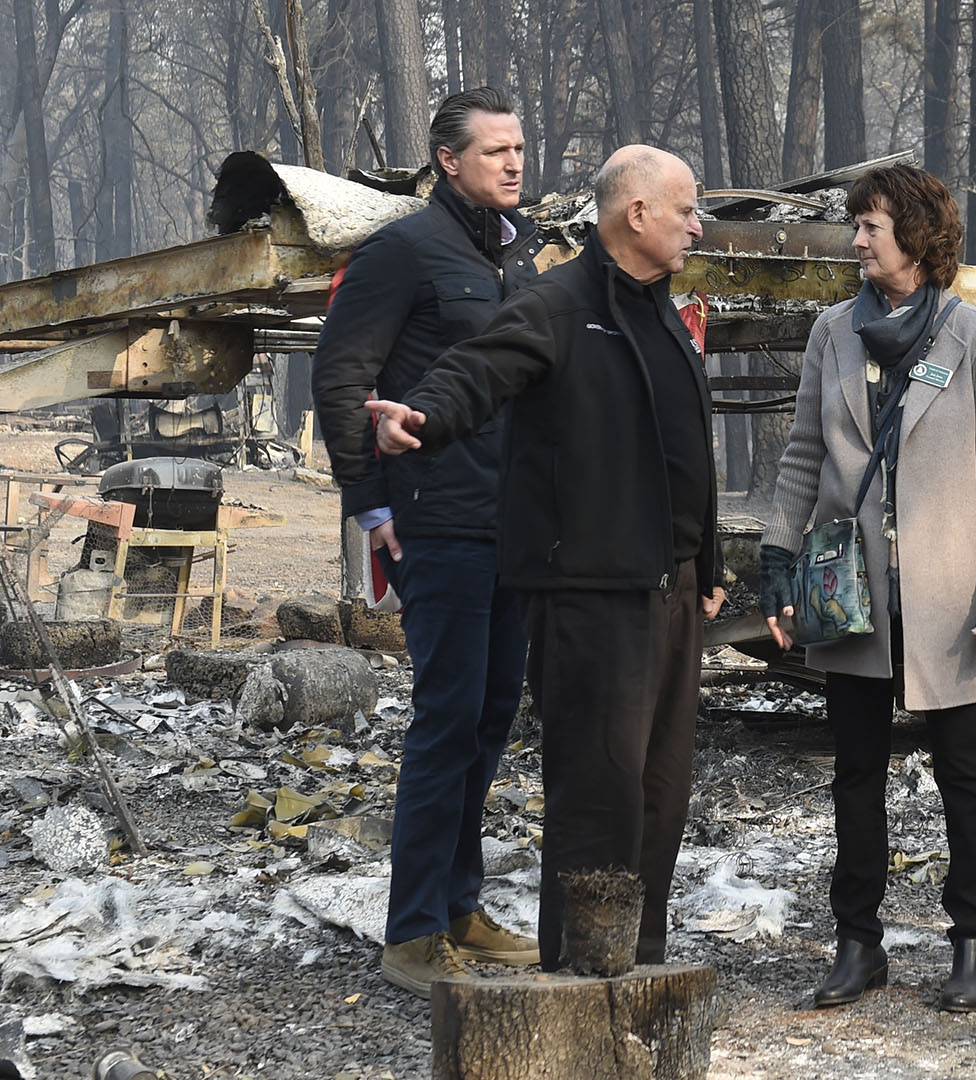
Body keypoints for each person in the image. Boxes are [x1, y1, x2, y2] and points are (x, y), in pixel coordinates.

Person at [363, 144, 723, 973]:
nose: (696, 226)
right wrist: (418, 417)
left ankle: (636, 960)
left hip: (665, 589)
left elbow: (683, 448)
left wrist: (703, 565)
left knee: (660, 791)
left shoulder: (665, 310)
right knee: (598, 793)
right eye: (685, 211)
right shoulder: (556, 304)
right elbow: (474, 372)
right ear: (636, 215)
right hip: (587, 591)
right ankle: (583, 973)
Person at [757, 164, 976, 1013]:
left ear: (916, 233)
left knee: (964, 770)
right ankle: (857, 943)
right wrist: (776, 553)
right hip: (852, 590)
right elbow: (804, 450)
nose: (858, 239)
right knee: (857, 773)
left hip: (947, 592)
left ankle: (974, 941)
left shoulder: (972, 335)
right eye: (857, 224)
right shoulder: (832, 332)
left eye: (871, 225)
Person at [309, 86, 543, 997]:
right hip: (433, 523)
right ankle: (411, 931)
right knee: (446, 720)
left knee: (489, 716)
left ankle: (458, 907)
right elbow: (342, 375)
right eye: (496, 152)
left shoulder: (515, 265)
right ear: (449, 162)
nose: (515, 163)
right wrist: (371, 506)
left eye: (520, 148)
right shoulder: (403, 251)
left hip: (508, 524)